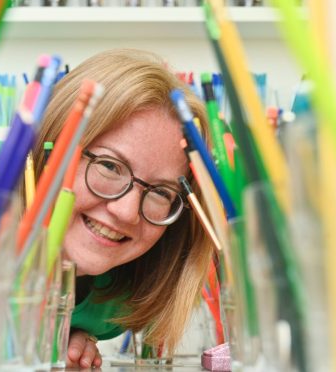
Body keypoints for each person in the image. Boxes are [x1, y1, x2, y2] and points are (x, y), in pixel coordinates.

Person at [33, 48, 214, 369]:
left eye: (161, 191)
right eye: (110, 166)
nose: (127, 212)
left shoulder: (112, 308)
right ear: (51, 151)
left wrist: (65, 335)